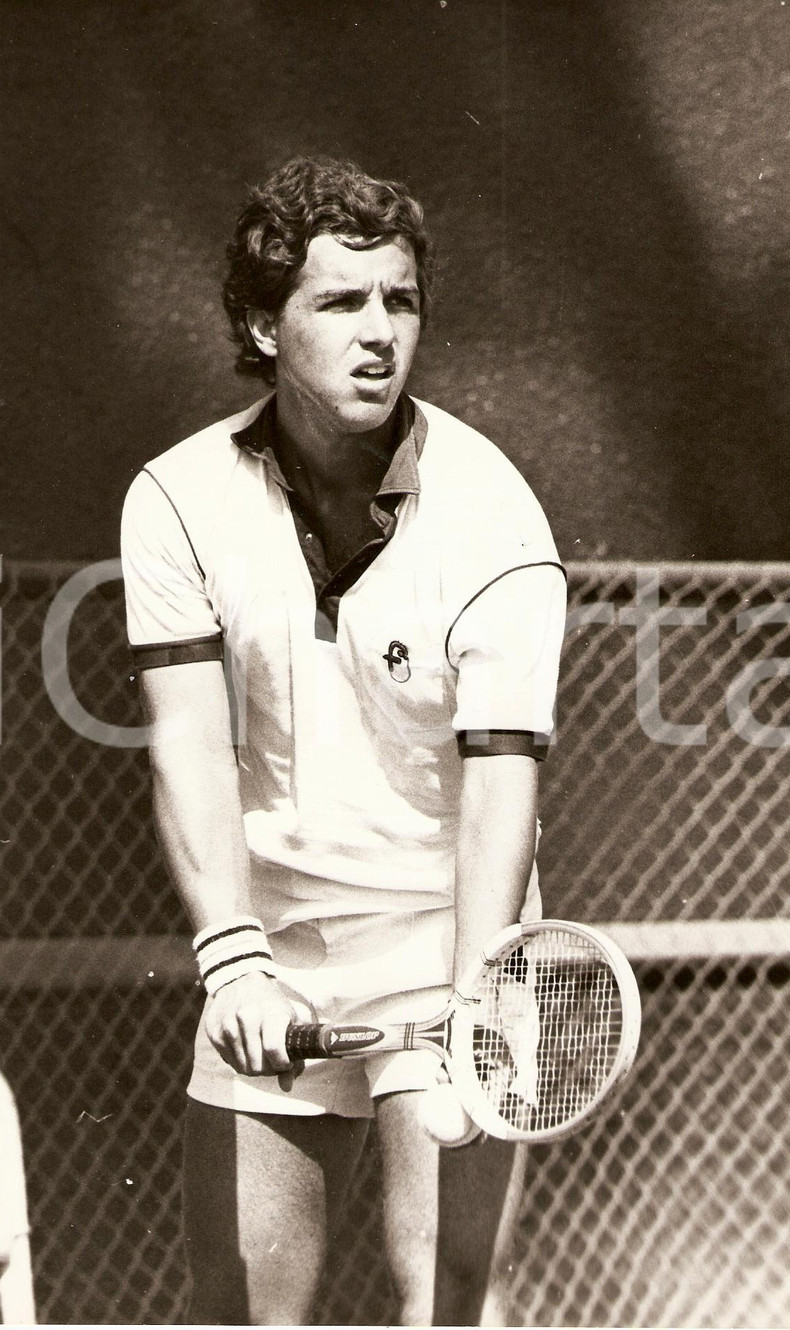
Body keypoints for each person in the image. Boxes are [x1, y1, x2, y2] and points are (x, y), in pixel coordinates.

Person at [120, 155, 566, 1326]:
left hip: (451, 938)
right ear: (265, 326)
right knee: (241, 1312)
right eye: (339, 301)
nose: (379, 333)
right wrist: (233, 957)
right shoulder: (175, 498)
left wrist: (475, 998)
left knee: (448, 1303)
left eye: (399, 301)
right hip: (276, 947)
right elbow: (189, 747)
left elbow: (500, 788)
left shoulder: (497, 516)